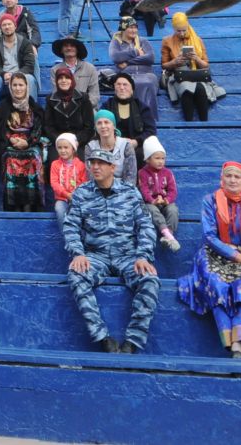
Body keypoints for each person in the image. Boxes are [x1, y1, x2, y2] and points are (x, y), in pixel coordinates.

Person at [62, 143, 161, 354]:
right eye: (93, 163)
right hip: (95, 256)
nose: (95, 167)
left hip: (128, 255)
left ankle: (132, 341)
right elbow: (71, 227)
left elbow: (145, 225)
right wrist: (78, 253)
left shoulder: (130, 192)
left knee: (150, 280)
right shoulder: (82, 193)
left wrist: (143, 256)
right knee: (76, 275)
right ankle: (102, 337)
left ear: (113, 167)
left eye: (101, 163)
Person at [179, 161, 241, 359]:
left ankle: (239, 344)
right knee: (215, 283)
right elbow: (209, 237)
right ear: (221, 179)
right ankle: (227, 340)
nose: (233, 180)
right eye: (228, 176)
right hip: (212, 252)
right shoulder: (210, 200)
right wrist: (238, 258)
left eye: (237, 176)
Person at [160, 13, 224, 122]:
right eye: (178, 31)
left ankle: (204, 123)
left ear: (187, 26)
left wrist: (196, 59)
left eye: (184, 30)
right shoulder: (167, 41)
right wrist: (174, 62)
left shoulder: (197, 40)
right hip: (179, 75)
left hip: (197, 74)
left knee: (200, 88)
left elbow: (206, 65)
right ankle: (189, 123)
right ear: (174, 29)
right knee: (186, 89)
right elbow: (164, 65)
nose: (181, 33)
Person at [107, 14, 160, 119]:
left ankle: (149, 118)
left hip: (146, 74)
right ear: (123, 29)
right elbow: (116, 57)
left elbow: (150, 58)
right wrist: (135, 52)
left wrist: (127, 62)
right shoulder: (116, 42)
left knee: (148, 82)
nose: (134, 30)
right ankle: (134, 118)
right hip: (126, 75)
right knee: (130, 83)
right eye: (130, 27)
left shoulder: (143, 41)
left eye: (135, 28)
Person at [137, 138, 182, 252]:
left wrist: (167, 200)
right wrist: (152, 201)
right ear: (148, 159)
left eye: (163, 158)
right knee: (151, 210)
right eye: (157, 158)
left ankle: (169, 235)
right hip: (151, 202)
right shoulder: (142, 173)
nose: (160, 161)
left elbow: (172, 190)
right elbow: (144, 190)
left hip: (165, 202)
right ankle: (165, 231)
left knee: (173, 210)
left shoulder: (167, 173)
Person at [49, 134, 87, 222]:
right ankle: (65, 235)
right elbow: (54, 183)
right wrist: (66, 194)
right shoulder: (55, 164)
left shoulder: (81, 165)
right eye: (59, 147)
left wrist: (75, 195)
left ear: (73, 149)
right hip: (62, 199)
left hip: (77, 199)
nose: (62, 150)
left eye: (66, 147)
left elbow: (83, 183)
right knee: (59, 210)